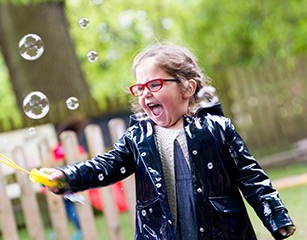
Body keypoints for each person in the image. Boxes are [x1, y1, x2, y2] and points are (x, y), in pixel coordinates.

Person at [41, 43, 295, 239]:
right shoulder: (138, 138)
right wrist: (67, 176)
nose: (145, 93)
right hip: (160, 230)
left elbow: (251, 177)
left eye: (155, 84)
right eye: (140, 88)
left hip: (220, 229)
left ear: (187, 88)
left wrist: (277, 218)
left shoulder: (216, 129)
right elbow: (105, 165)